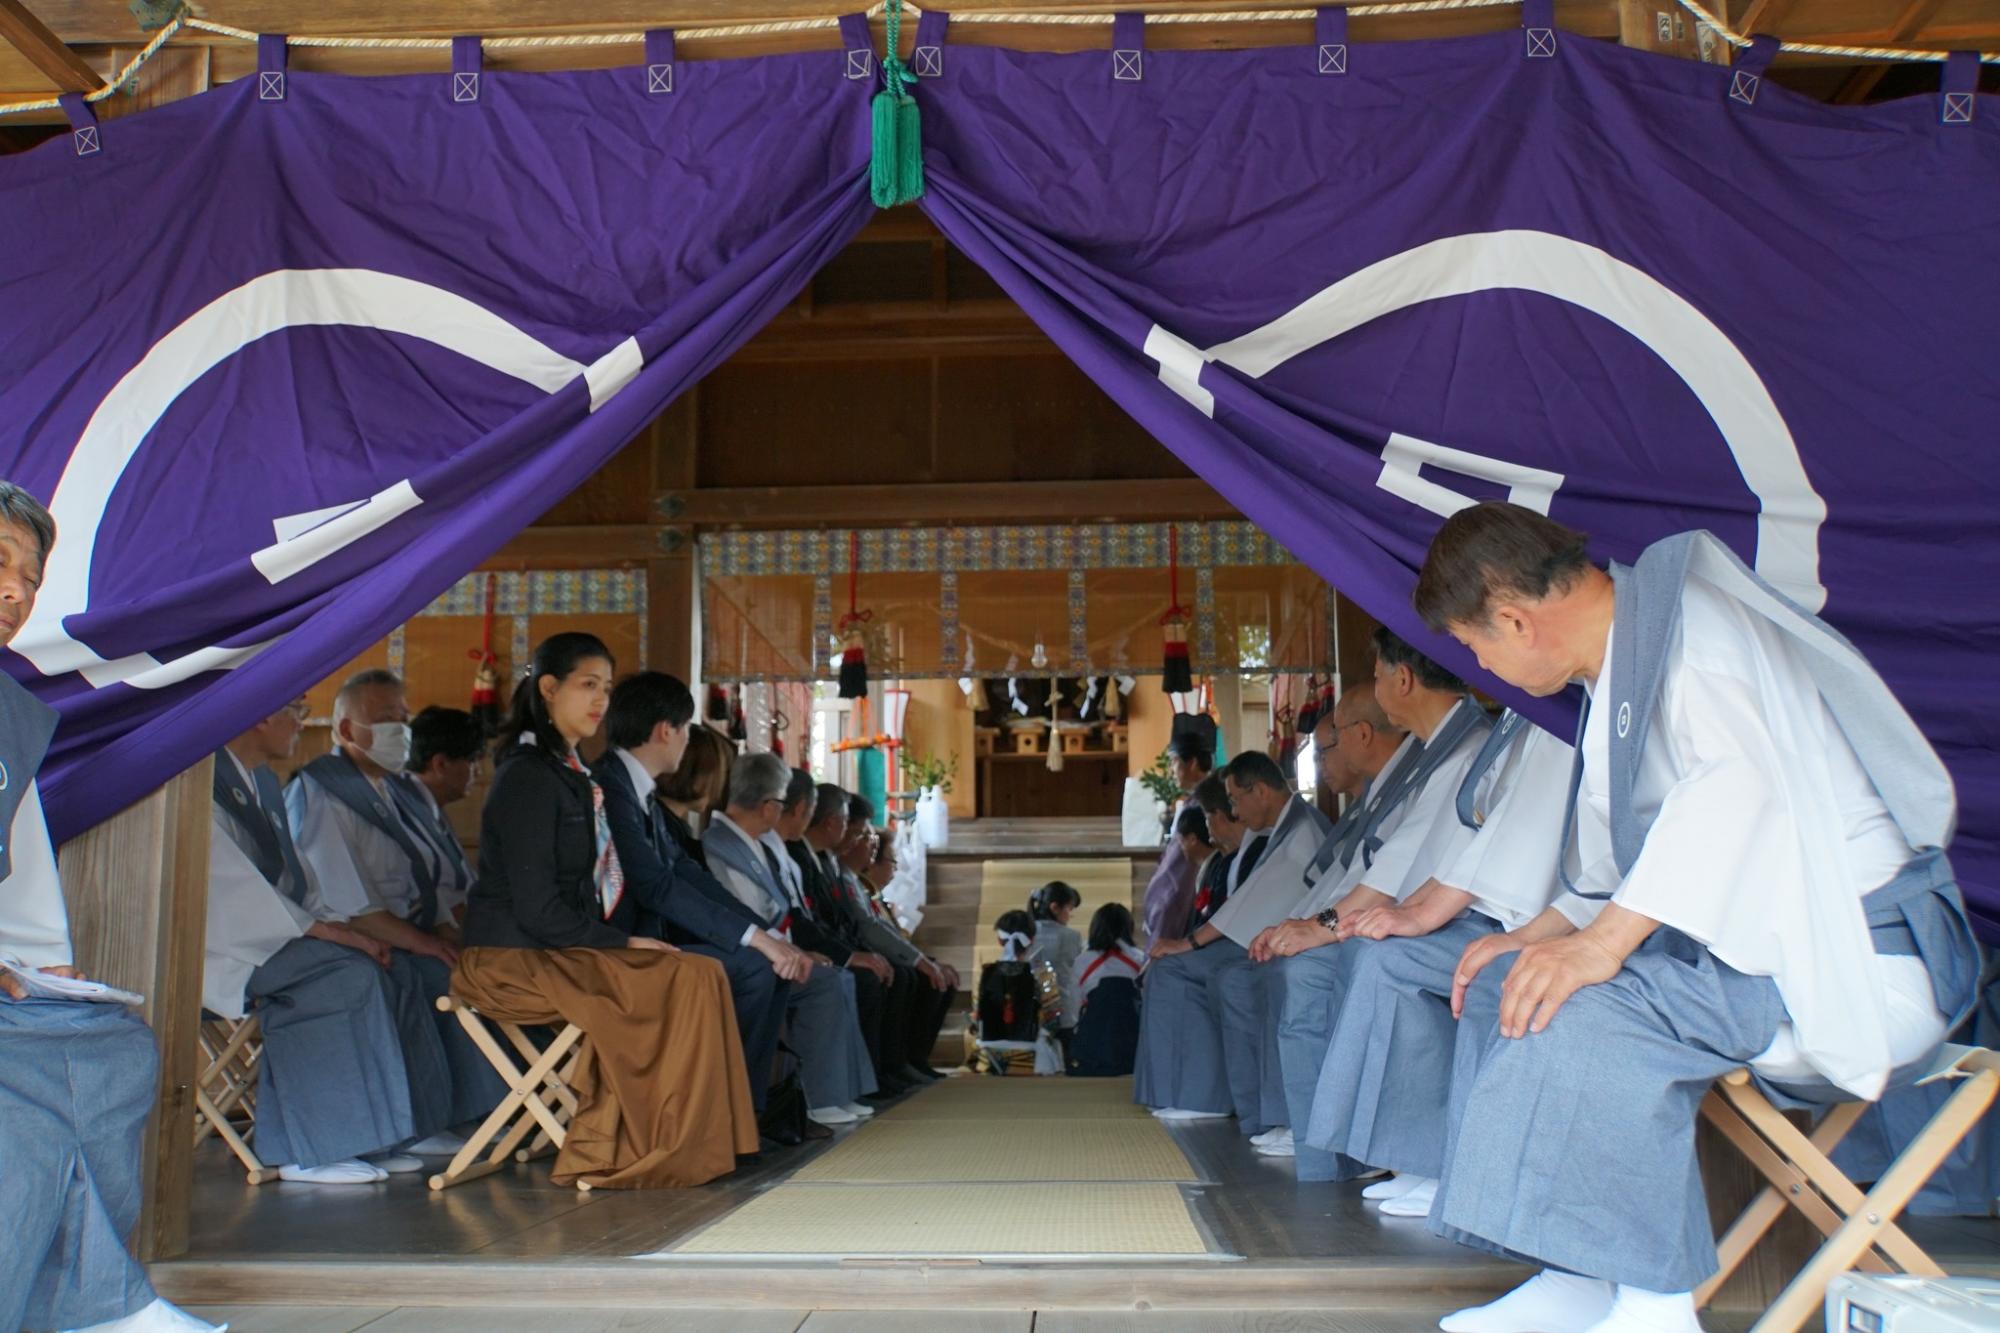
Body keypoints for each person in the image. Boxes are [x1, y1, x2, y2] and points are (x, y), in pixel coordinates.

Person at [1412, 503, 1981, 1333]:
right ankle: (1575, 1272)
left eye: (1475, 646)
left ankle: (1653, 1304)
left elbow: (1732, 794)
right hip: (1758, 961)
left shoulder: (1696, 630)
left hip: (1847, 959)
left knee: (1589, 1011)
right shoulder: (1621, 668)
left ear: (1514, 617)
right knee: (1509, 981)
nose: (1482, 665)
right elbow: (1625, 864)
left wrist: (1600, 948)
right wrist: (1536, 936)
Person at [0, 483, 223, 1333]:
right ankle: (96, 1303)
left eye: (32, 574)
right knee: (22, 1106)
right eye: (0, 565)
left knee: (110, 1049)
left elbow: (16, 871)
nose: (19, 591)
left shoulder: (11, 714)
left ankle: (91, 1297)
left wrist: (36, 960)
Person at [457, 633, 759, 1187]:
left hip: (559, 949)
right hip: (510, 957)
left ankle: (700, 1143)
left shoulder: (571, 774)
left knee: (700, 973)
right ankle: (647, 1143)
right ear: (549, 689)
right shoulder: (527, 775)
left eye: (607, 688)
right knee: (680, 978)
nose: (601, 700)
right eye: (587, 685)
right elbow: (536, 908)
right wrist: (623, 945)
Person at [1301, 710, 1574, 1217]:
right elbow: (1477, 843)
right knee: (1379, 955)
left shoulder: (1555, 721)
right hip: (1481, 903)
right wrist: (1410, 910)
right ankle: (1418, 1158)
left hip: (1523, 912)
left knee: (1417, 968)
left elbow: (1515, 837)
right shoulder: (1520, 721)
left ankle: (1451, 1166)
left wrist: (1423, 912)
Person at [1249, 644, 1489, 1177]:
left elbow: (1404, 862)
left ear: (1402, 680)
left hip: (1483, 921)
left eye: (1377, 676)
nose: (1377, 691)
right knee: (1316, 964)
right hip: (1435, 910)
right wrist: (1314, 925)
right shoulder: (1437, 751)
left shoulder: (1467, 745)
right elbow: (1394, 861)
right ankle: (1342, 1150)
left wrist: (1325, 927)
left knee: (1348, 967)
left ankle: (1401, 1160)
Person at [209, 698, 462, 1185]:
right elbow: (225, 888)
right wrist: (326, 932)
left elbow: (297, 878)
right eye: (298, 710)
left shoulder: (258, 778)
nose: (303, 723)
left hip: (278, 934)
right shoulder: (205, 780)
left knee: (392, 967)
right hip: (225, 947)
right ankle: (308, 1150)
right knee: (338, 974)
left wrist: (338, 928)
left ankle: (374, 1136)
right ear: (262, 712)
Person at [287, 669, 503, 1133]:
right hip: (356, 937)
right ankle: (426, 1122)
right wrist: (425, 942)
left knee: (468, 966)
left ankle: (468, 1115)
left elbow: (426, 880)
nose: (400, 732)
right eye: (386, 719)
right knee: (429, 973)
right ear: (346, 731)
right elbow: (351, 905)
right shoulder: (326, 793)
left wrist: (447, 933)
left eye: (404, 719)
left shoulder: (391, 791)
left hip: (406, 932)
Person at [592, 673, 809, 1121]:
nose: (688, 741)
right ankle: (726, 1118)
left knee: (768, 963)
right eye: (688, 730)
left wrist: (765, 933)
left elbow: (687, 874)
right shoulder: (608, 785)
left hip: (650, 940)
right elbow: (655, 884)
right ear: (664, 731)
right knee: (751, 968)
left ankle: (746, 1114)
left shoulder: (640, 793)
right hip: (614, 946)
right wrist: (753, 939)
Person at [1134, 751, 1332, 1122]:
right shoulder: (1281, 828)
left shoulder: (1303, 828)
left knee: (1186, 971)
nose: (1235, 812)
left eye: (1236, 800)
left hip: (1284, 942)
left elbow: (1260, 898)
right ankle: (1188, 1093)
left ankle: (1208, 1100)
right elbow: (1253, 899)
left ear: (1258, 791)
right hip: (1262, 937)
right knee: (1172, 969)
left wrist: (1189, 943)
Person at [704, 752, 882, 1127]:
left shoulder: (755, 842)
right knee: (824, 982)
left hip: (774, 946)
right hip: (747, 952)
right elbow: (748, 911)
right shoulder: (720, 842)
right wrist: (795, 950)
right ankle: (822, 1097)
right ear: (769, 806)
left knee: (837, 976)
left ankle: (841, 1090)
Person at [394, 705, 486, 933]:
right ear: (441, 764)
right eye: (472, 760)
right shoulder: (403, 808)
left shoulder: (428, 805)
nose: (478, 771)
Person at [1139, 713, 1216, 948]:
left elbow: (1185, 863)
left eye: (1174, 762)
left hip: (1185, 892)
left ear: (1191, 762)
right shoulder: (1195, 800)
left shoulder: (1209, 801)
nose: (1171, 770)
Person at [972, 909, 1064, 1075]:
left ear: (1000, 940)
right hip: (1032, 1056)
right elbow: (1053, 1018)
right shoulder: (1042, 972)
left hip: (990, 1056)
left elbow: (977, 1018)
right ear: (1032, 940)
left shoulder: (987, 971)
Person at [1070, 901, 1146, 1077]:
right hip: (1132, 1041)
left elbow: (1075, 1007)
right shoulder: (1140, 958)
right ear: (1129, 928)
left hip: (1094, 1042)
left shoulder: (1083, 960)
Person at [657, 724, 733, 867]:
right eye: (715, 777)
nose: (716, 787)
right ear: (694, 774)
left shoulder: (666, 824)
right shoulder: (664, 831)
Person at [1028, 880, 1084, 1046]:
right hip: (1061, 1005)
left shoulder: (1026, 931)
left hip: (1029, 1008)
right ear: (1055, 907)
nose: (1070, 915)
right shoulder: (1070, 936)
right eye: (1069, 909)